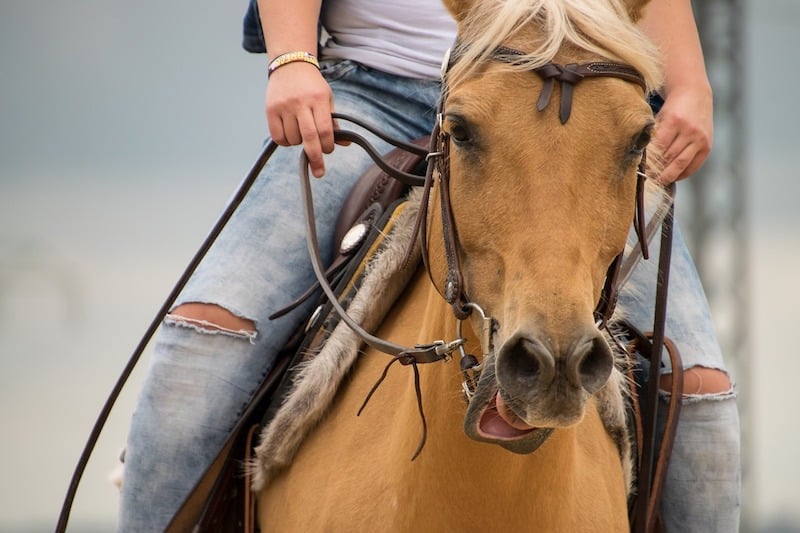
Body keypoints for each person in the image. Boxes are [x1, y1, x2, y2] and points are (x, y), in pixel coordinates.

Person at [117, 0, 740, 531]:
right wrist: (292, 59)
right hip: (367, 91)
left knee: (701, 402)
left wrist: (690, 84)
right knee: (203, 351)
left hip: (577, 102)